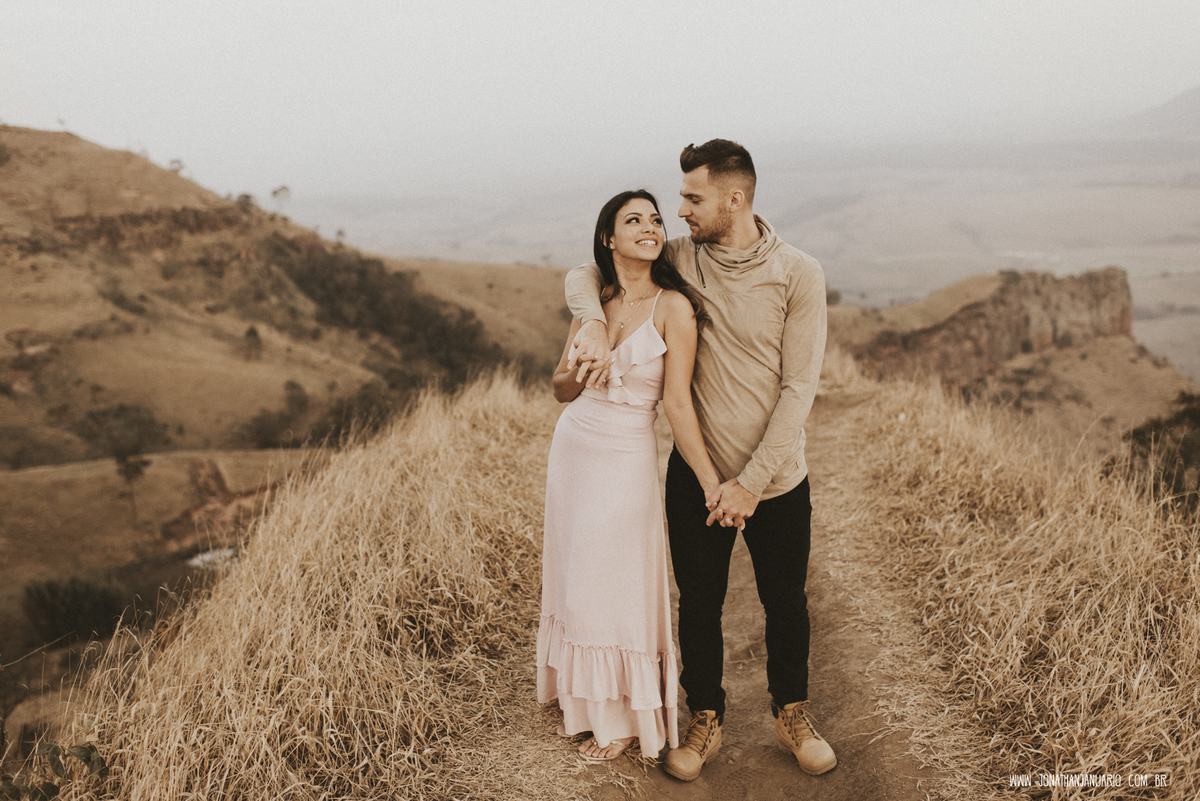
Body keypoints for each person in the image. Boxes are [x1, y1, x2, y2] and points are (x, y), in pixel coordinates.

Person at [564, 139, 836, 780]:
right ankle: (705, 716)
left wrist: (750, 483)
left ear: (733, 199)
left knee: (785, 600)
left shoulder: (799, 273)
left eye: (691, 198)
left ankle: (791, 711)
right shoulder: (682, 259)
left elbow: (800, 389)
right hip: (697, 476)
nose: (676, 211)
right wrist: (595, 326)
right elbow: (584, 273)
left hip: (776, 479)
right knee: (701, 602)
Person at [537, 189, 722, 761]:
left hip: (626, 455)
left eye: (655, 219)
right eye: (633, 220)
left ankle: (620, 718)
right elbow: (560, 390)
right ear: (608, 239)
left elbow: (679, 405)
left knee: (611, 580)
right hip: (575, 448)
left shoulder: (673, 307)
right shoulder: (596, 301)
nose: (649, 227)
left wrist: (713, 482)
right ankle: (584, 703)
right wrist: (580, 362)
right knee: (576, 574)